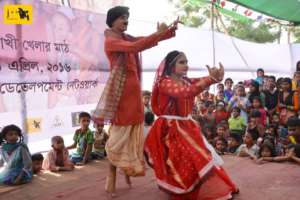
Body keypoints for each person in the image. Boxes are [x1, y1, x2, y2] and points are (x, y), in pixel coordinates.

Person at [91, 6, 179, 197]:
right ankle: (111, 179)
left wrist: (167, 32)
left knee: (131, 134)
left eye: (127, 18)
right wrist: (159, 33)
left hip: (134, 91)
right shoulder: (111, 41)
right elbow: (137, 46)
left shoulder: (125, 38)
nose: (126, 21)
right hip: (121, 94)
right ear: (113, 20)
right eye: (123, 18)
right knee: (118, 138)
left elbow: (141, 41)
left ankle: (126, 172)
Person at [144, 50, 238, 200]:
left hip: (186, 126)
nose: (186, 65)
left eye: (187, 62)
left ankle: (184, 189)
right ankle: (180, 190)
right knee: (181, 160)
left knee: (197, 157)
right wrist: (210, 79)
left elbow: (200, 82)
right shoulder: (164, 82)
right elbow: (186, 92)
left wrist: (215, 78)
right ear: (171, 65)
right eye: (182, 62)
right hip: (169, 127)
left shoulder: (185, 80)